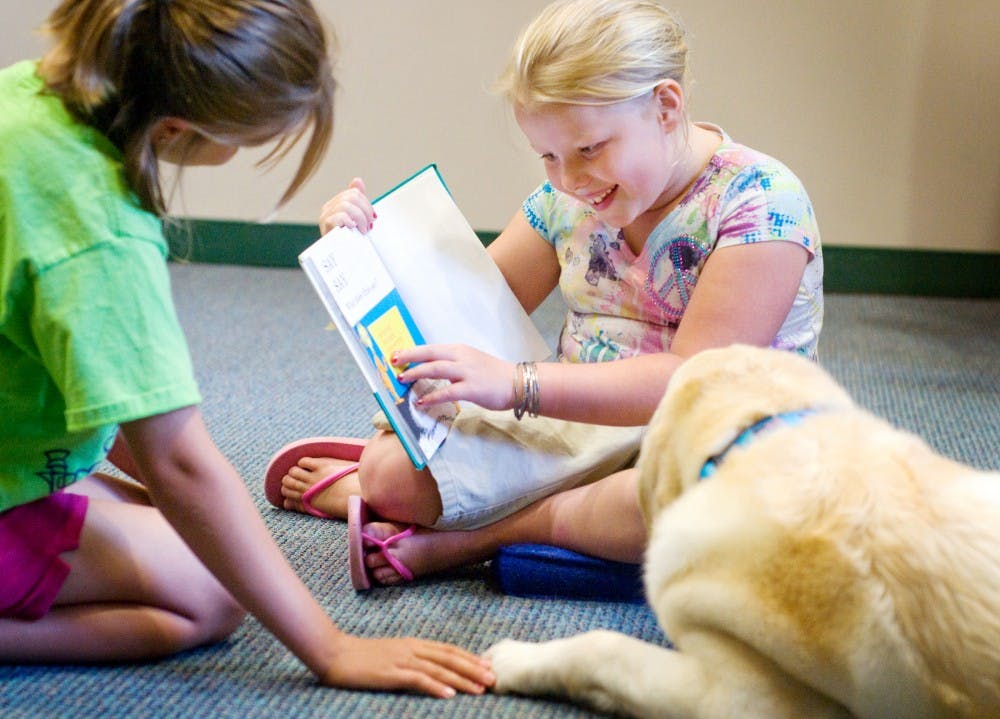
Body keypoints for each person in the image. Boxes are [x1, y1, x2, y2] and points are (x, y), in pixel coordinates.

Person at [0, 0, 494, 698]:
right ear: (177, 128)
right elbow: (178, 460)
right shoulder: (99, 236)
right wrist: (330, 648)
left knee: (185, 524)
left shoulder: (21, 95)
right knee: (211, 594)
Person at [267, 0, 823, 588]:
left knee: (695, 503)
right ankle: (414, 502)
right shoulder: (568, 200)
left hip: (724, 433)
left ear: (665, 106)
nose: (570, 179)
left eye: (589, 149)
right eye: (549, 156)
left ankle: (484, 535)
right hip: (591, 416)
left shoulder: (760, 200)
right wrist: (357, 248)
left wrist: (515, 385)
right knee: (389, 475)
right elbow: (467, 310)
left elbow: (691, 379)